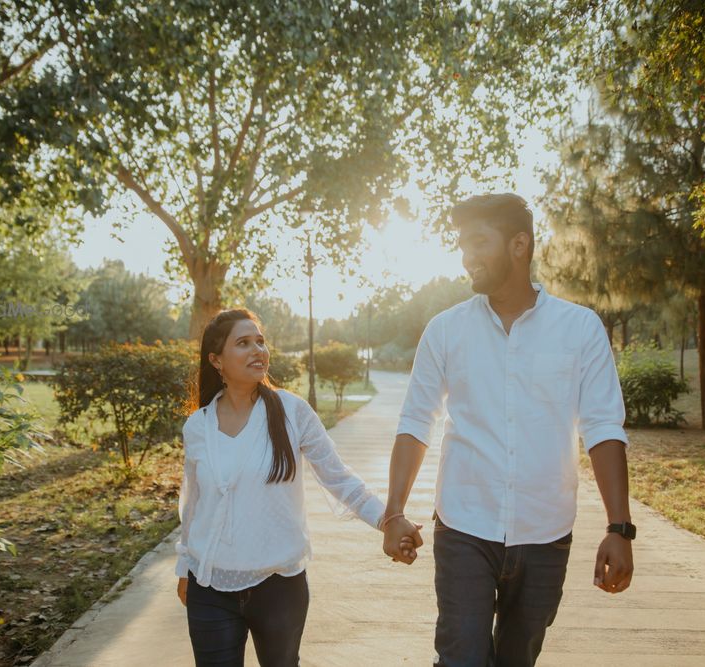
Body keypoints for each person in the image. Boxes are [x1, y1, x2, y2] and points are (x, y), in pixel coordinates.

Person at [381, 194, 635, 667]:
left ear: (520, 244)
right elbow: (416, 421)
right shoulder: (445, 330)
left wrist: (619, 528)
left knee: (517, 659)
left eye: (479, 242)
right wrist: (393, 511)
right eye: (461, 244)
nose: (466, 257)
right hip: (464, 528)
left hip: (546, 531)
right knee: (461, 657)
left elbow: (603, 428)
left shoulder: (579, 329)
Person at [175, 308, 418, 667]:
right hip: (209, 586)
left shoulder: (291, 412)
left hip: (279, 586)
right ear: (216, 360)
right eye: (243, 343)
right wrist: (184, 568)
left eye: (260, 341)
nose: (258, 350)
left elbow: (339, 477)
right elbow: (193, 505)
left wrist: (388, 519)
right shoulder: (198, 426)